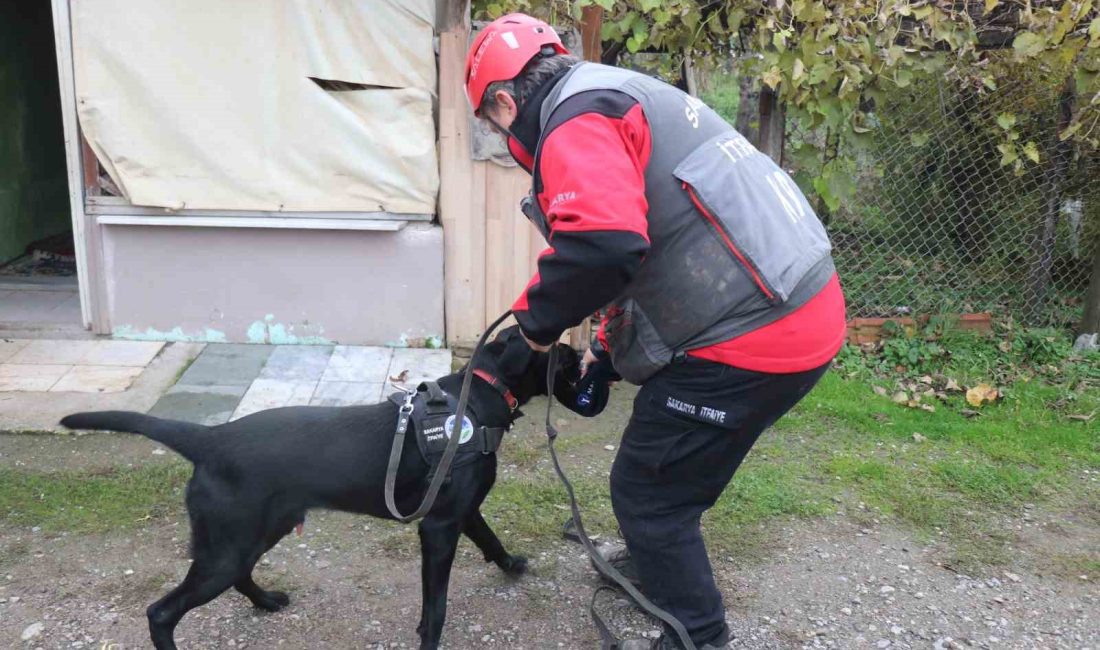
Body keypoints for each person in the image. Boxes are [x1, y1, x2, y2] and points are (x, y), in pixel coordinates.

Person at [464, 13, 847, 649]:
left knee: (648, 489)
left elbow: (604, 248)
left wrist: (532, 330)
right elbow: (650, 248)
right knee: (673, 463)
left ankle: (697, 632)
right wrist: (609, 356)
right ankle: (655, 561)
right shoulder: (611, 92)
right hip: (796, 305)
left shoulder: (573, 122)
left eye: (493, 123)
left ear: (505, 102)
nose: (503, 138)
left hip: (758, 332)